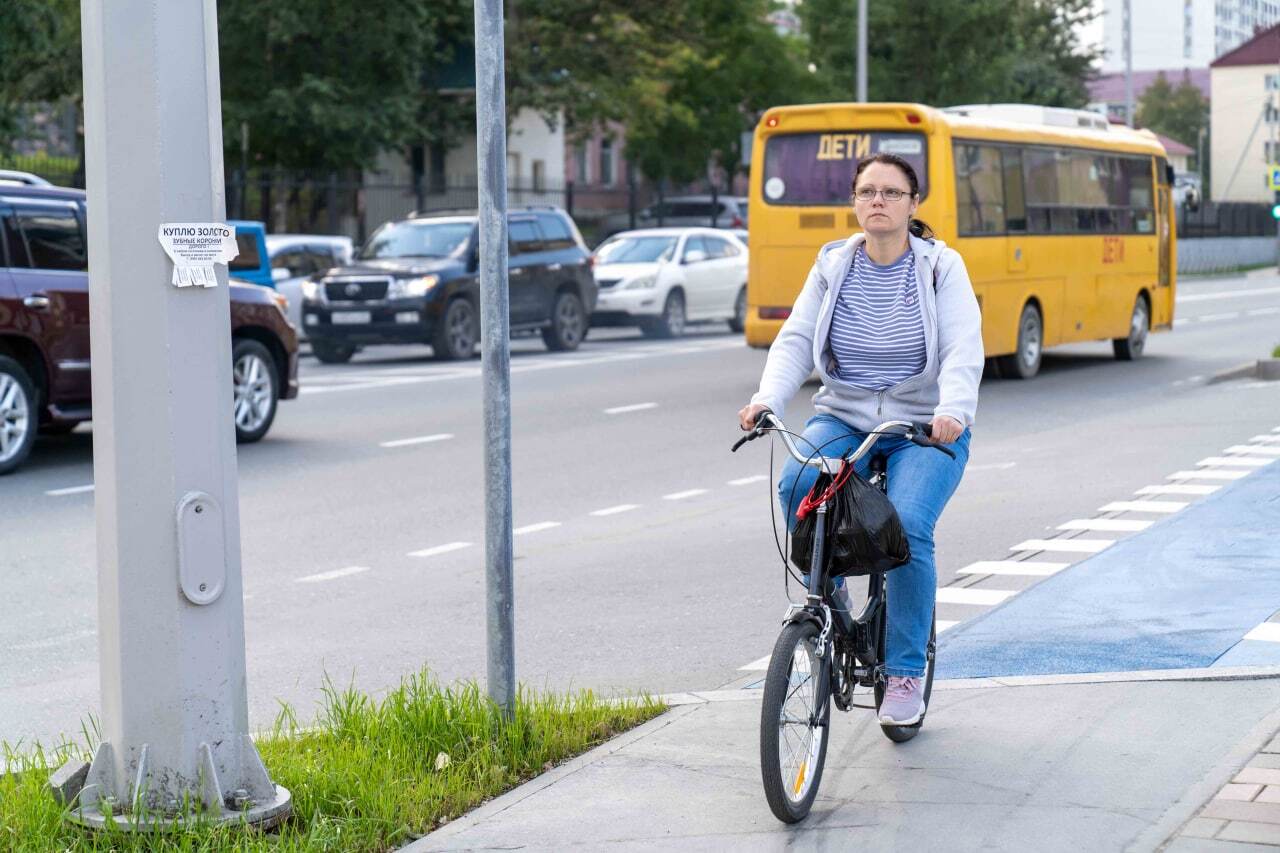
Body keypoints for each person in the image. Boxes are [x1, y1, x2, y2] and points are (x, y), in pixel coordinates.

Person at [738, 152, 983, 727]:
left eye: (892, 193)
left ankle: (902, 673)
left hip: (921, 427)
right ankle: (831, 598)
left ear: (912, 205)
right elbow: (796, 339)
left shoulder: (939, 268)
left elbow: (962, 346)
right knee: (796, 484)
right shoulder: (832, 265)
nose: (879, 200)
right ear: (854, 202)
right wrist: (768, 400)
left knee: (909, 525)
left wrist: (953, 410)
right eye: (868, 191)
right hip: (845, 418)